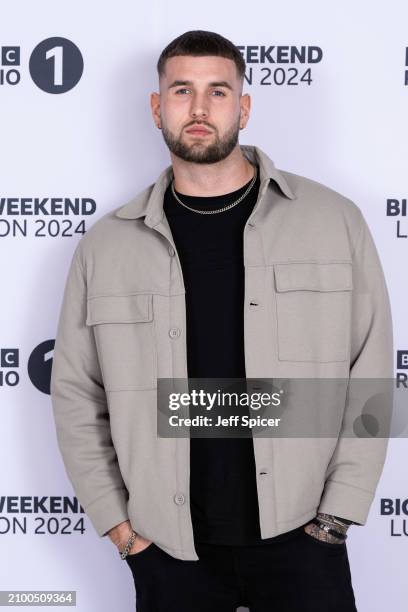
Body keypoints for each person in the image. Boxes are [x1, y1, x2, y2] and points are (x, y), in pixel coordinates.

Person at [50, 30, 393, 612]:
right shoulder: (106, 247)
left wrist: (336, 519)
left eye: (219, 91)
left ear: (245, 106)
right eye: (182, 91)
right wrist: (121, 531)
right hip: (169, 553)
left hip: (302, 541)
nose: (201, 108)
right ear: (158, 107)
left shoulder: (334, 222)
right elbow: (77, 394)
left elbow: (373, 374)